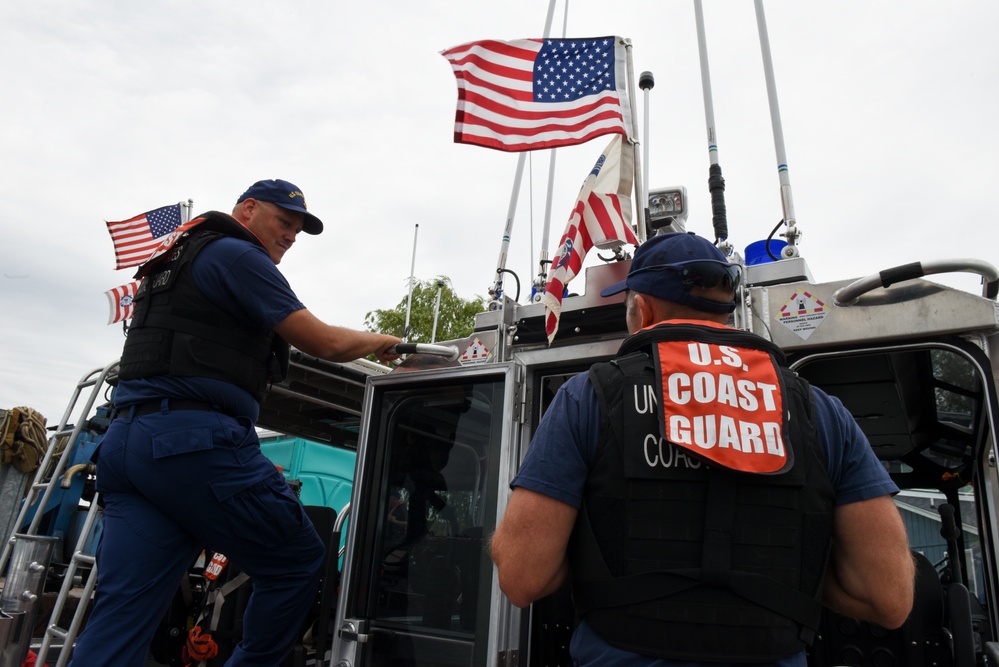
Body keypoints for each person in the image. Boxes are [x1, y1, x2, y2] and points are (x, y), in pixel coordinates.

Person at [490, 231, 915, 666]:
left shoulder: (588, 398)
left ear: (642, 307)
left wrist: (592, 559)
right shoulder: (821, 412)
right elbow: (889, 598)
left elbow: (523, 577)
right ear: (726, 310)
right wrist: (780, 573)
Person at [70, 179, 402, 667]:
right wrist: (380, 341)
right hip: (193, 444)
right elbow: (324, 342)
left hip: (128, 446)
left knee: (123, 615)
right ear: (246, 210)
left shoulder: (178, 262)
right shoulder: (238, 256)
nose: (290, 236)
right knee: (296, 562)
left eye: (297, 230)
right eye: (283, 222)